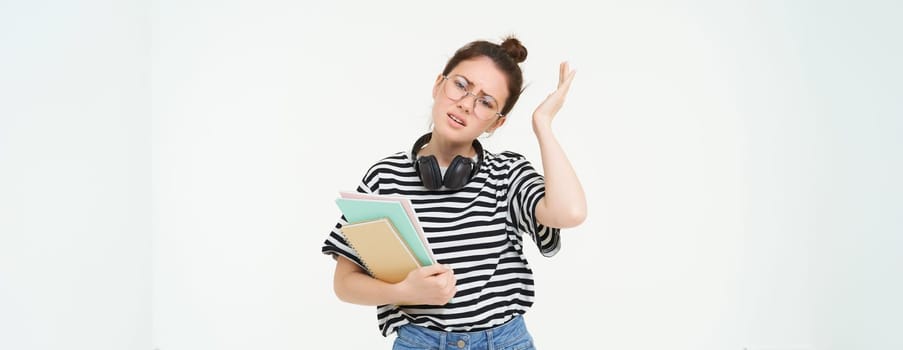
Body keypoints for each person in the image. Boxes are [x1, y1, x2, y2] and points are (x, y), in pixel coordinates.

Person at [321, 35, 586, 349]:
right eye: (461, 85)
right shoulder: (385, 178)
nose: (466, 104)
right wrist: (405, 293)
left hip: (504, 342)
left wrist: (542, 122)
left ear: (497, 124)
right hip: (419, 342)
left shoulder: (507, 174)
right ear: (438, 85)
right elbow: (344, 283)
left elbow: (570, 212)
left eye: (486, 102)